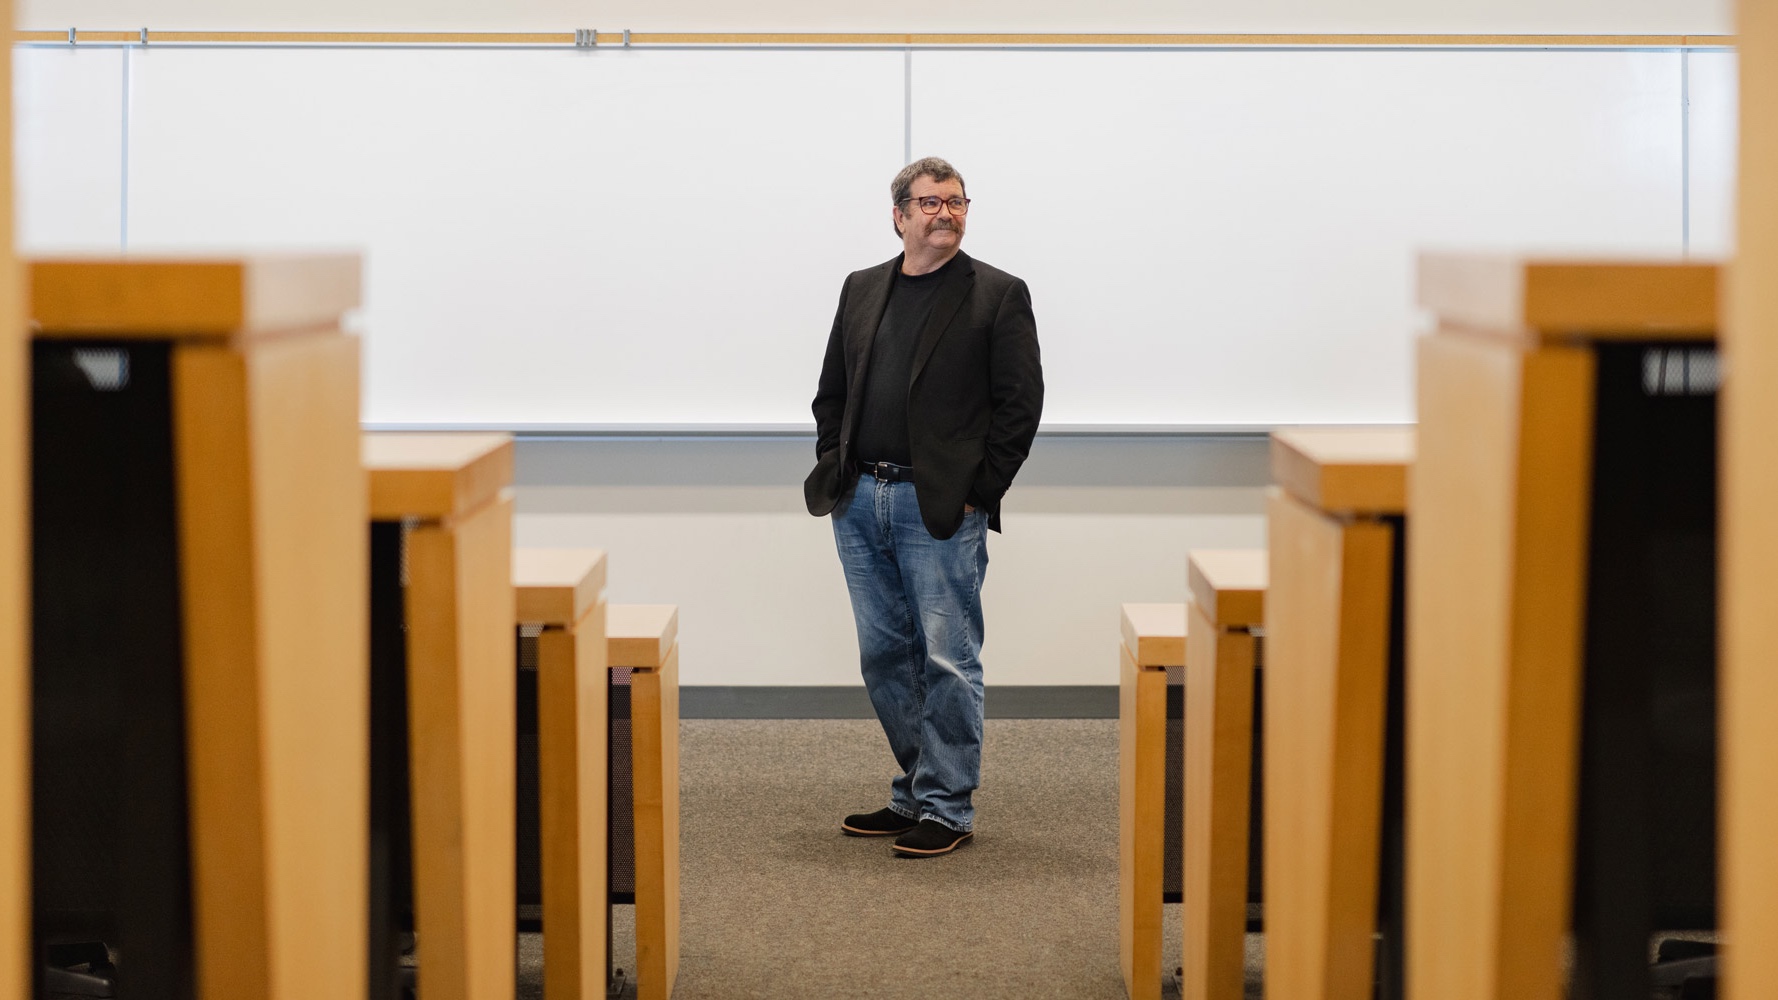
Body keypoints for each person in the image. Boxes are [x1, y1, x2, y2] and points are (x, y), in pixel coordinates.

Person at [804, 157, 1044, 858]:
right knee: (884, 657)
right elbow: (832, 392)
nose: (946, 213)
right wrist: (835, 463)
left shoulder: (996, 295)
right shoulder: (861, 289)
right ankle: (916, 790)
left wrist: (980, 490)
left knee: (947, 657)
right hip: (860, 499)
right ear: (900, 215)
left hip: (938, 507)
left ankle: (945, 805)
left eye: (957, 202)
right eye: (930, 203)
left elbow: (1019, 407)